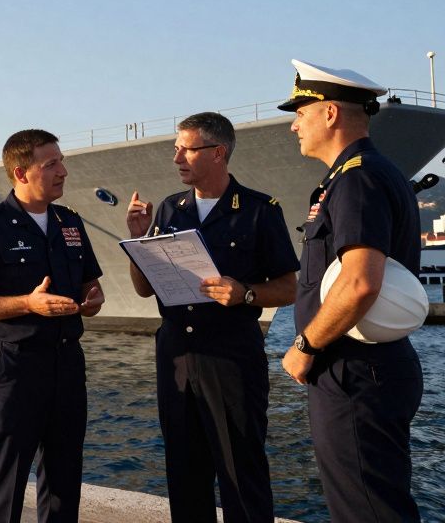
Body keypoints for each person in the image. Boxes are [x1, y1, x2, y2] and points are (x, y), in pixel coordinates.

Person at [125, 112, 298, 523]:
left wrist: (246, 293)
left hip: (231, 357)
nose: (177, 157)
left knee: (242, 471)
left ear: (217, 153)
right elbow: (143, 288)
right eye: (176, 148)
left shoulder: (259, 210)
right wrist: (137, 235)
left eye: (186, 148)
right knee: (184, 472)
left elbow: (289, 287)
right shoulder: (170, 209)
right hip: (177, 356)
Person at [277, 59, 423, 522]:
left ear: (330, 113)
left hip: (356, 372)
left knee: (367, 511)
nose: (294, 125)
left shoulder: (357, 177)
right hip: (364, 370)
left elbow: (360, 281)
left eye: (300, 112)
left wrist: (304, 345)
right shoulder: (363, 173)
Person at [0, 129, 105, 523]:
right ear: (21, 173)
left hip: (67, 365)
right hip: (14, 369)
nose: (63, 171)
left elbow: (92, 285)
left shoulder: (69, 222)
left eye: (61, 161)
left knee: (64, 479)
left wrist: (92, 301)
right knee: (6, 481)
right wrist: (28, 303)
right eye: (51, 164)